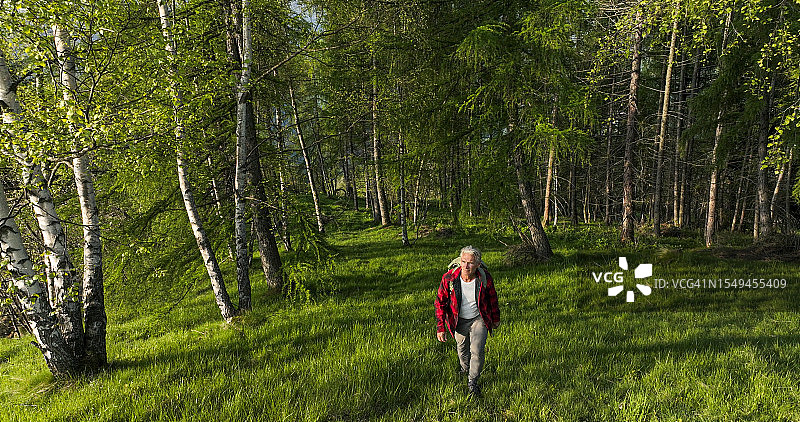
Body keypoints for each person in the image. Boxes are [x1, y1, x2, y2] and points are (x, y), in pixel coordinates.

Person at [435, 246, 500, 397]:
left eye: (470, 263)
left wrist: (495, 319)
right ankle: (465, 369)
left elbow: (492, 299)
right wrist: (440, 327)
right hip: (458, 320)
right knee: (462, 348)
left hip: (479, 319)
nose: (466, 266)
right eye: (463, 261)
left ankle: (473, 381)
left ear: (477, 264)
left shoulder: (484, 278)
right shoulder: (449, 278)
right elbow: (440, 302)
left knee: (477, 350)